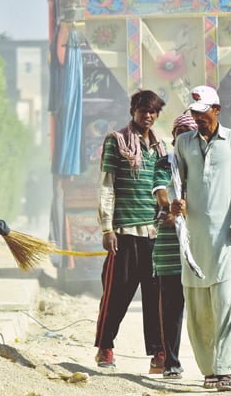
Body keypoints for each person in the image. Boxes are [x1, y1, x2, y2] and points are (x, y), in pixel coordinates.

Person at [170, 85, 231, 392]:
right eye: (194, 113)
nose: (198, 118)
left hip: (224, 241)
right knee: (198, 313)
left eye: (203, 112)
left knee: (225, 306)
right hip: (193, 245)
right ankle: (209, 369)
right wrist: (174, 202)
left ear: (216, 110)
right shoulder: (183, 143)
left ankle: (226, 369)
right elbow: (173, 182)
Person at [94, 89, 166, 372]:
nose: (146, 116)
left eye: (152, 111)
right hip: (123, 234)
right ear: (133, 111)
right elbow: (106, 185)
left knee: (155, 296)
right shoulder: (117, 141)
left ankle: (159, 354)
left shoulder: (161, 148)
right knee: (115, 294)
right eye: (141, 110)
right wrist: (107, 227)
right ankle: (105, 348)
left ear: (157, 114)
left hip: (153, 235)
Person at [151, 113, 198, 379]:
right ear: (174, 138)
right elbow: (161, 194)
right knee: (171, 307)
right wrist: (172, 207)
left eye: (190, 135)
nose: (185, 140)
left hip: (200, 243)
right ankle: (171, 362)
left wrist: (183, 208)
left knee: (202, 306)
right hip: (170, 248)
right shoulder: (164, 164)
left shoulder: (205, 162)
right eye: (181, 134)